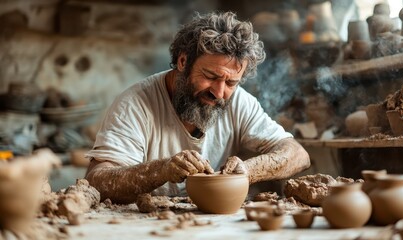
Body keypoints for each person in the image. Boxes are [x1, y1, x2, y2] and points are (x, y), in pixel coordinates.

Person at [85, 11, 310, 204]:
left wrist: (249, 171)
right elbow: (98, 179)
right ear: (183, 62)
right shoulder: (135, 104)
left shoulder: (238, 101)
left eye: (231, 82)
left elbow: (298, 155)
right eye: (211, 76)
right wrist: (161, 170)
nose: (219, 92)